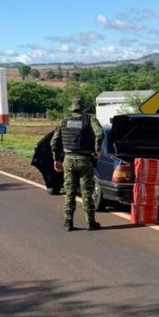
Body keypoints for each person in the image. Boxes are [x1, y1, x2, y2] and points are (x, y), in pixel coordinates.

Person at [50, 97, 105, 231]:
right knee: (87, 191)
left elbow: (54, 141)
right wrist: (97, 150)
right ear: (83, 108)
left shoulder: (64, 121)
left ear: (72, 108)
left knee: (69, 191)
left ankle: (68, 222)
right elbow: (100, 133)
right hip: (85, 159)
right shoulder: (90, 120)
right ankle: (90, 222)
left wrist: (56, 159)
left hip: (68, 160)